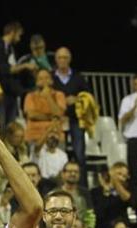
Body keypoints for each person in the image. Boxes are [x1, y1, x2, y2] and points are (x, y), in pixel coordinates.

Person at [52, 47, 90, 175]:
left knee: (79, 153)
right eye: (60, 57)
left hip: (76, 119)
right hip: (57, 120)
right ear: (56, 60)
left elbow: (88, 96)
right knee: (58, 152)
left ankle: (82, 184)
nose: (62, 60)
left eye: (65, 57)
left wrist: (77, 98)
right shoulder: (51, 77)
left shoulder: (78, 77)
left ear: (70, 59)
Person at [0, 21, 32, 126]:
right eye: (19, 34)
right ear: (12, 32)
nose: (19, 38)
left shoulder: (11, 48)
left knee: (11, 124)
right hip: (1, 90)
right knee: (2, 123)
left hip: (11, 92)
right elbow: (4, 69)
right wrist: (25, 66)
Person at [23, 69, 66, 147]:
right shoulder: (30, 96)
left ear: (51, 81)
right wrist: (52, 117)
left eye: (46, 78)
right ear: (36, 82)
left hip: (55, 135)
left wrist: (48, 97)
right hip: (34, 135)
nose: (44, 81)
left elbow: (59, 114)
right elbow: (32, 115)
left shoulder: (59, 95)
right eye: (40, 78)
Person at [90, 162, 131, 228]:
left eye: (124, 176)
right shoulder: (96, 191)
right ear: (111, 173)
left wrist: (116, 182)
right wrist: (106, 192)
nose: (121, 178)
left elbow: (127, 200)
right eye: (119, 174)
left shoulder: (126, 192)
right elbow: (100, 213)